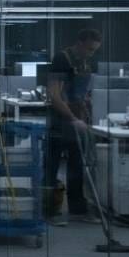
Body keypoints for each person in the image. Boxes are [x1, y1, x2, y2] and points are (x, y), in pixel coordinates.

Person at [43, 28, 103, 225]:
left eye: (95, 50)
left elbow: (81, 92)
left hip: (78, 120)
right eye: (89, 49)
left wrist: (86, 107)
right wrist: (71, 118)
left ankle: (78, 210)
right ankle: (49, 211)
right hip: (59, 121)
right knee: (51, 166)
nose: (91, 54)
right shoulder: (62, 59)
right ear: (79, 43)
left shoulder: (86, 62)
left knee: (77, 166)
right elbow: (54, 95)